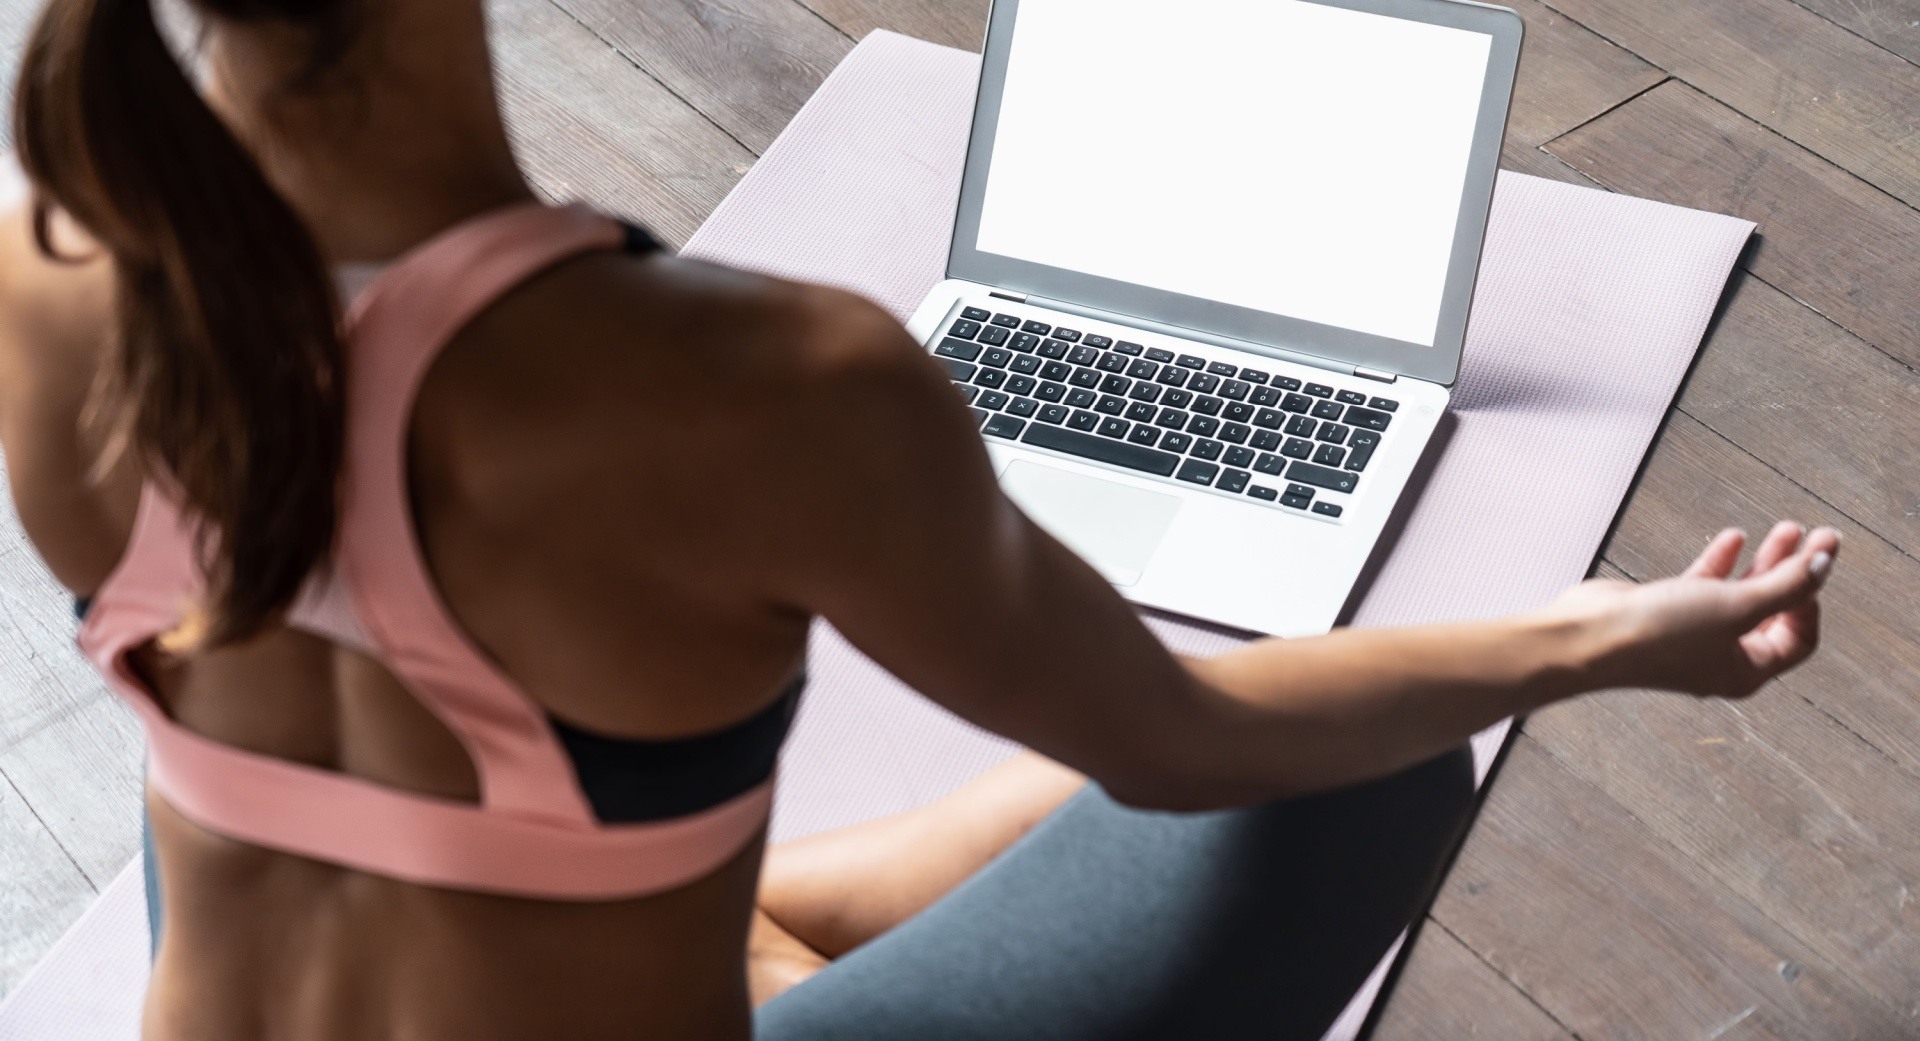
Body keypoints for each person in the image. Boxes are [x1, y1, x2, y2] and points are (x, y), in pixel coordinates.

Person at [0, 0, 1838, 1035]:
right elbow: (1181, 743)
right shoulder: (757, 384)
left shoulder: (49, 270)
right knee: (1354, 748)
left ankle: (732, 907)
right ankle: (729, 923)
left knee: (383, 739)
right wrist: (1606, 635)